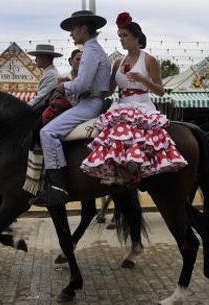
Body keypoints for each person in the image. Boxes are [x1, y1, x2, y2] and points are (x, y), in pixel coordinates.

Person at [80, 11, 187, 185]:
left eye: (125, 35)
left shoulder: (149, 60)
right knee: (108, 135)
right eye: (119, 36)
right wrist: (87, 89)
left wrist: (143, 80)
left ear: (137, 37)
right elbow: (108, 90)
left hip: (142, 105)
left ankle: (138, 169)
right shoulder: (118, 62)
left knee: (130, 132)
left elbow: (160, 91)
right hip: (121, 104)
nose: (121, 39)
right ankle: (116, 171)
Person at [29, 9, 111, 207]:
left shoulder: (91, 50)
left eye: (73, 29)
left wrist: (63, 86)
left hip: (89, 103)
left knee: (48, 133)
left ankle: (58, 187)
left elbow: (82, 84)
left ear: (83, 28)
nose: (71, 33)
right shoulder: (94, 49)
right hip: (88, 101)